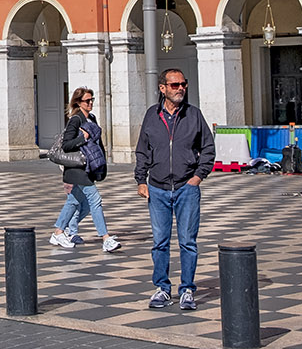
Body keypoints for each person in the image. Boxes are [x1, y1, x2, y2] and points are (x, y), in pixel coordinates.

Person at [134, 68, 215, 311]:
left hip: (186, 187)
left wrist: (198, 177)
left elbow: (208, 149)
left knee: (188, 242)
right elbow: (142, 150)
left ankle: (187, 289)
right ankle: (161, 288)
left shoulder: (193, 115)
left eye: (183, 84)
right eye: (174, 85)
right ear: (163, 89)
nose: (180, 89)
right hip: (157, 188)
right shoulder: (152, 115)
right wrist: (140, 179)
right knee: (160, 241)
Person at [48, 87, 121, 253]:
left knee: (75, 202)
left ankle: (58, 232)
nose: (90, 103)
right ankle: (106, 238)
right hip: (76, 168)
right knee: (95, 200)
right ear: (78, 102)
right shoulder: (75, 120)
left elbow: (97, 143)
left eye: (92, 100)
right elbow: (66, 145)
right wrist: (83, 138)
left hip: (88, 167)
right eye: (87, 101)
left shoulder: (92, 118)